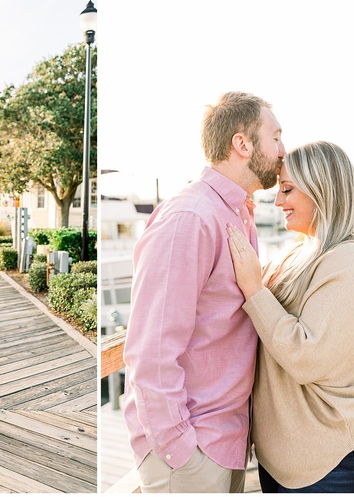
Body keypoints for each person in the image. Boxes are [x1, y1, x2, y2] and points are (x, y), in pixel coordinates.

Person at [122, 91, 285, 493]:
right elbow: (151, 349)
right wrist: (179, 448)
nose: (284, 150)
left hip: (226, 442)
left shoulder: (234, 213)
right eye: (277, 136)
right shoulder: (190, 217)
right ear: (242, 144)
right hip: (191, 452)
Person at [227, 141, 354, 492]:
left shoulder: (351, 263)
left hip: (340, 461)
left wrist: (254, 288)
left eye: (287, 189)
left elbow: (307, 356)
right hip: (290, 462)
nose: (278, 201)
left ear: (321, 189)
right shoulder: (298, 252)